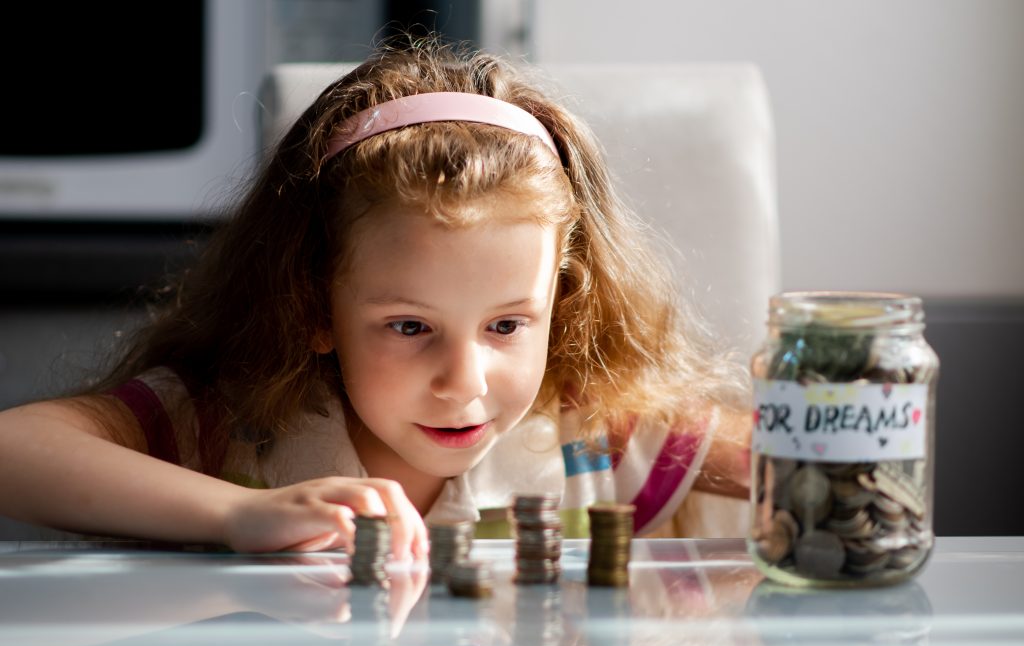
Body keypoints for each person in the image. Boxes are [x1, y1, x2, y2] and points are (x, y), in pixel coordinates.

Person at [0, 37, 751, 560]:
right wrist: (243, 514)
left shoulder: (593, 432)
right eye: (409, 325)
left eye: (507, 324)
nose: (465, 380)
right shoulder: (227, 427)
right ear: (313, 306)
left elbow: (821, 464)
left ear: (566, 297)